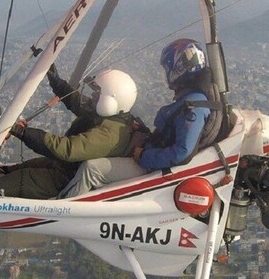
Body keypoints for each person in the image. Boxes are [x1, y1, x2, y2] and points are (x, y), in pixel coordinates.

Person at [60, 39, 212, 197]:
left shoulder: (194, 108)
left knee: (91, 169)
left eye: (168, 68)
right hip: (154, 156)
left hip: (154, 166)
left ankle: (57, 213)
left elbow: (182, 152)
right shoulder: (192, 100)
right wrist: (143, 131)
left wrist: (144, 156)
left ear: (180, 68)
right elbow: (170, 135)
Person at [0, 65, 142, 199]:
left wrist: (19, 130)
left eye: (98, 93)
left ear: (111, 100)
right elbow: (74, 100)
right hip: (64, 167)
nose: (93, 96)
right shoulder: (107, 117)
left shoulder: (111, 134)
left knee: (13, 182)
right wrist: (54, 78)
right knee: (15, 169)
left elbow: (65, 149)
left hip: (66, 179)